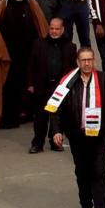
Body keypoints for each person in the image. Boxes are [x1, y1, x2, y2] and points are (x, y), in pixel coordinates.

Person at [49, 47, 105, 208]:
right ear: (78, 63)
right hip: (77, 136)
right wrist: (56, 130)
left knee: (98, 172)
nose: (87, 63)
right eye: (83, 60)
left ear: (94, 61)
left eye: (90, 60)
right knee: (82, 172)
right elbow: (56, 108)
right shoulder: (68, 82)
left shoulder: (104, 79)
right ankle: (86, 205)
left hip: (99, 136)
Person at [0, 0, 47, 128]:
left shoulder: (31, 5)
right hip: (11, 54)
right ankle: (17, 112)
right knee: (13, 84)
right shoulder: (5, 8)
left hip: (29, 53)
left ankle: (29, 111)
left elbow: (40, 27)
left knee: (29, 82)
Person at [28, 17, 76, 153]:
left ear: (62, 30)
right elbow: (31, 65)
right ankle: (38, 143)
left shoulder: (70, 47)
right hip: (42, 86)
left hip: (60, 87)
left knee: (59, 116)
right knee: (40, 117)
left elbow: (73, 70)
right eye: (52, 28)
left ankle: (55, 141)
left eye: (57, 29)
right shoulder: (38, 44)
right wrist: (30, 83)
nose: (54, 31)